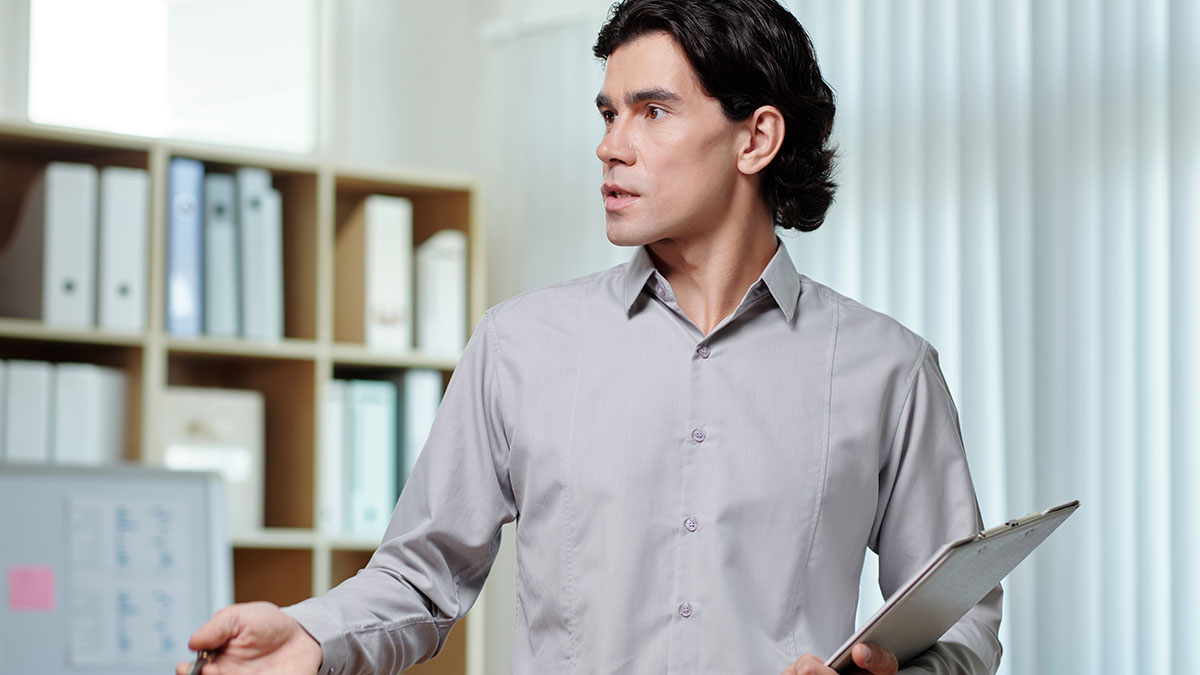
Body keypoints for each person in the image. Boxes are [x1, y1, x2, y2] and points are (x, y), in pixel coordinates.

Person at [178, 1, 1002, 673]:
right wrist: (311, 636)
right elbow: (421, 578)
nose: (610, 146)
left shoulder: (889, 370)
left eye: (653, 111)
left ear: (755, 138)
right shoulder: (519, 346)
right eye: (609, 113)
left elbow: (957, 623)